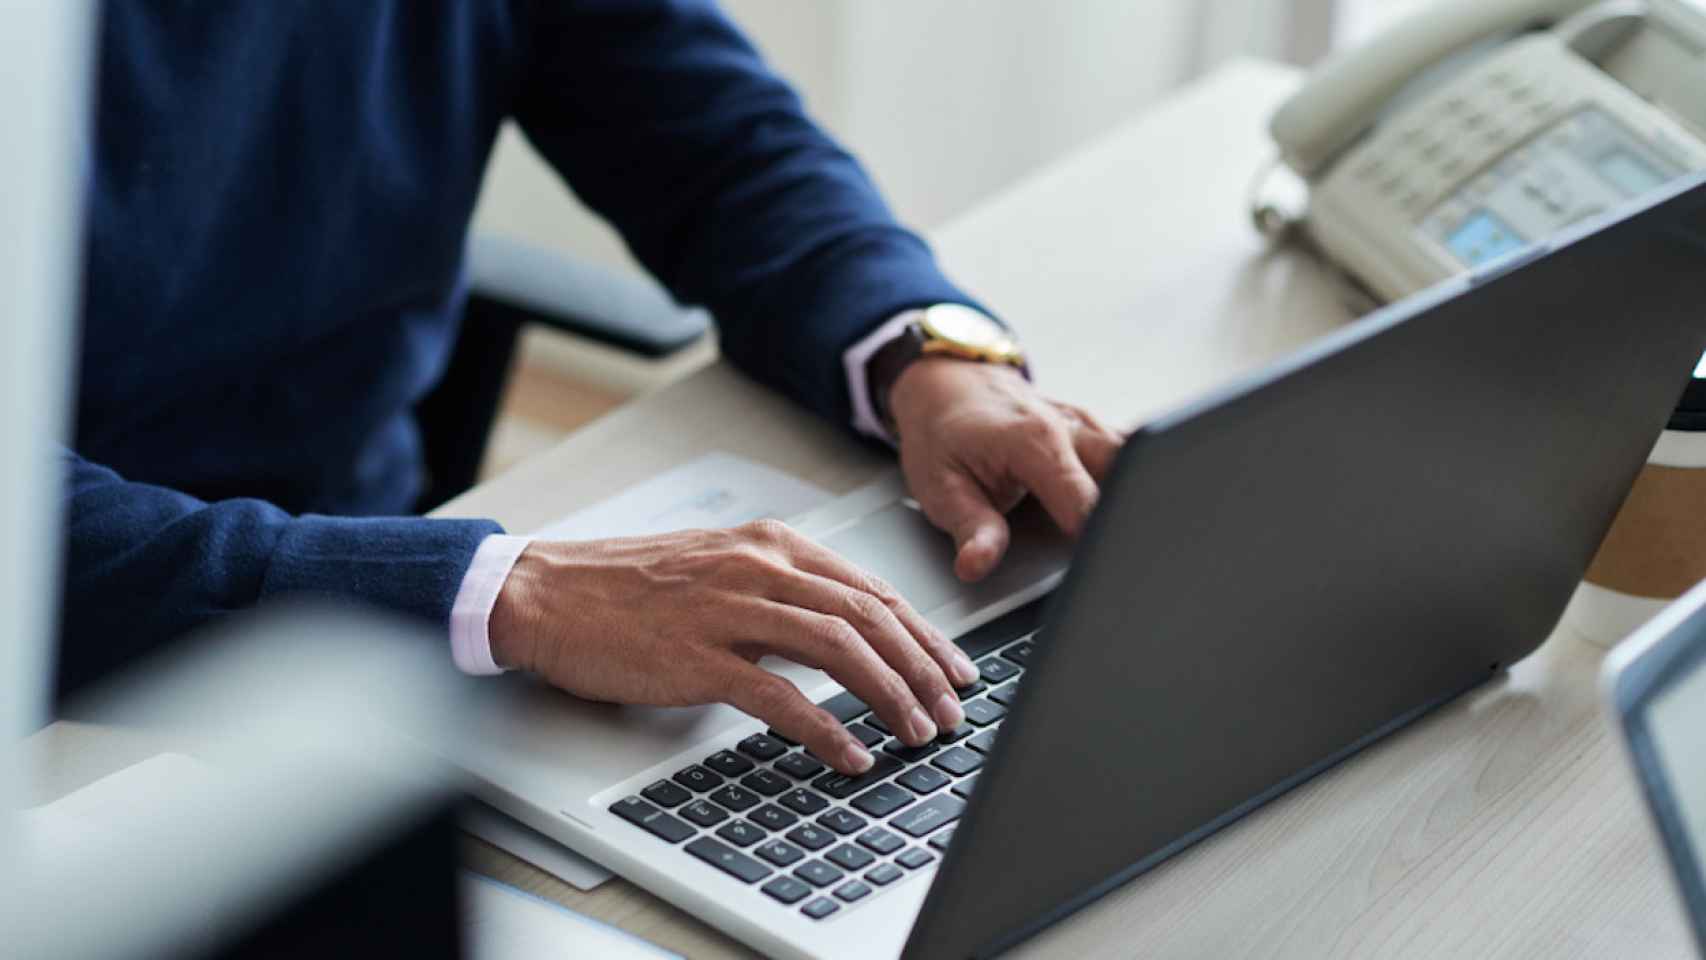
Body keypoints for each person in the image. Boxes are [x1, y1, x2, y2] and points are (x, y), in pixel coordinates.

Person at [62, 0, 1123, 775]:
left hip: (361, 579)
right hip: (83, 670)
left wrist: (924, 357)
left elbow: (720, 145)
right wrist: (506, 593)